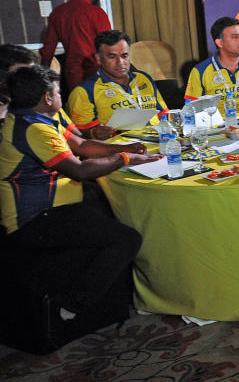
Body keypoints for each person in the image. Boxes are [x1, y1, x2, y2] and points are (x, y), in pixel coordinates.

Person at [1, 65, 158, 312]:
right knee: (127, 239)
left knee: (118, 214)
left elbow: (82, 145)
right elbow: (79, 170)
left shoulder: (38, 116)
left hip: (60, 206)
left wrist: (124, 149)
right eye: (58, 92)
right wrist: (125, 160)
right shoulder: (33, 129)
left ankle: (123, 293)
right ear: (47, 97)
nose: (60, 96)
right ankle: (71, 306)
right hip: (36, 219)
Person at [68, 30, 168, 139]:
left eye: (124, 55)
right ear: (98, 58)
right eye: (112, 56)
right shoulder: (85, 92)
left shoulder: (143, 78)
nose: (120, 62)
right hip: (121, 150)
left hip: (159, 142)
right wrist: (93, 133)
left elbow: (164, 115)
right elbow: (78, 137)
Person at [39, 0, 112, 93]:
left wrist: (42, 79)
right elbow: (110, 45)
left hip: (72, 72)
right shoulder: (97, 13)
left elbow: (48, 51)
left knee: (78, 107)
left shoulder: (58, 12)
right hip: (98, 71)